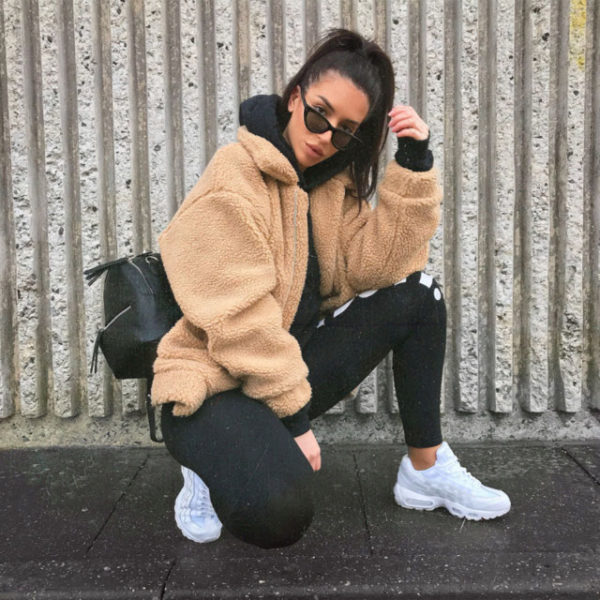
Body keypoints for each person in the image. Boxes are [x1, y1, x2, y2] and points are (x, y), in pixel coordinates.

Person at [150, 28, 510, 549]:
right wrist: (296, 420)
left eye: (345, 133)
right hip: (212, 385)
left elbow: (378, 266)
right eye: (319, 115)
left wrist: (413, 162)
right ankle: (206, 463)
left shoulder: (328, 186)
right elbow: (238, 320)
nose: (325, 136)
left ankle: (425, 468)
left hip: (283, 368)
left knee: (419, 295)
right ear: (295, 98)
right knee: (279, 513)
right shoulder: (234, 177)